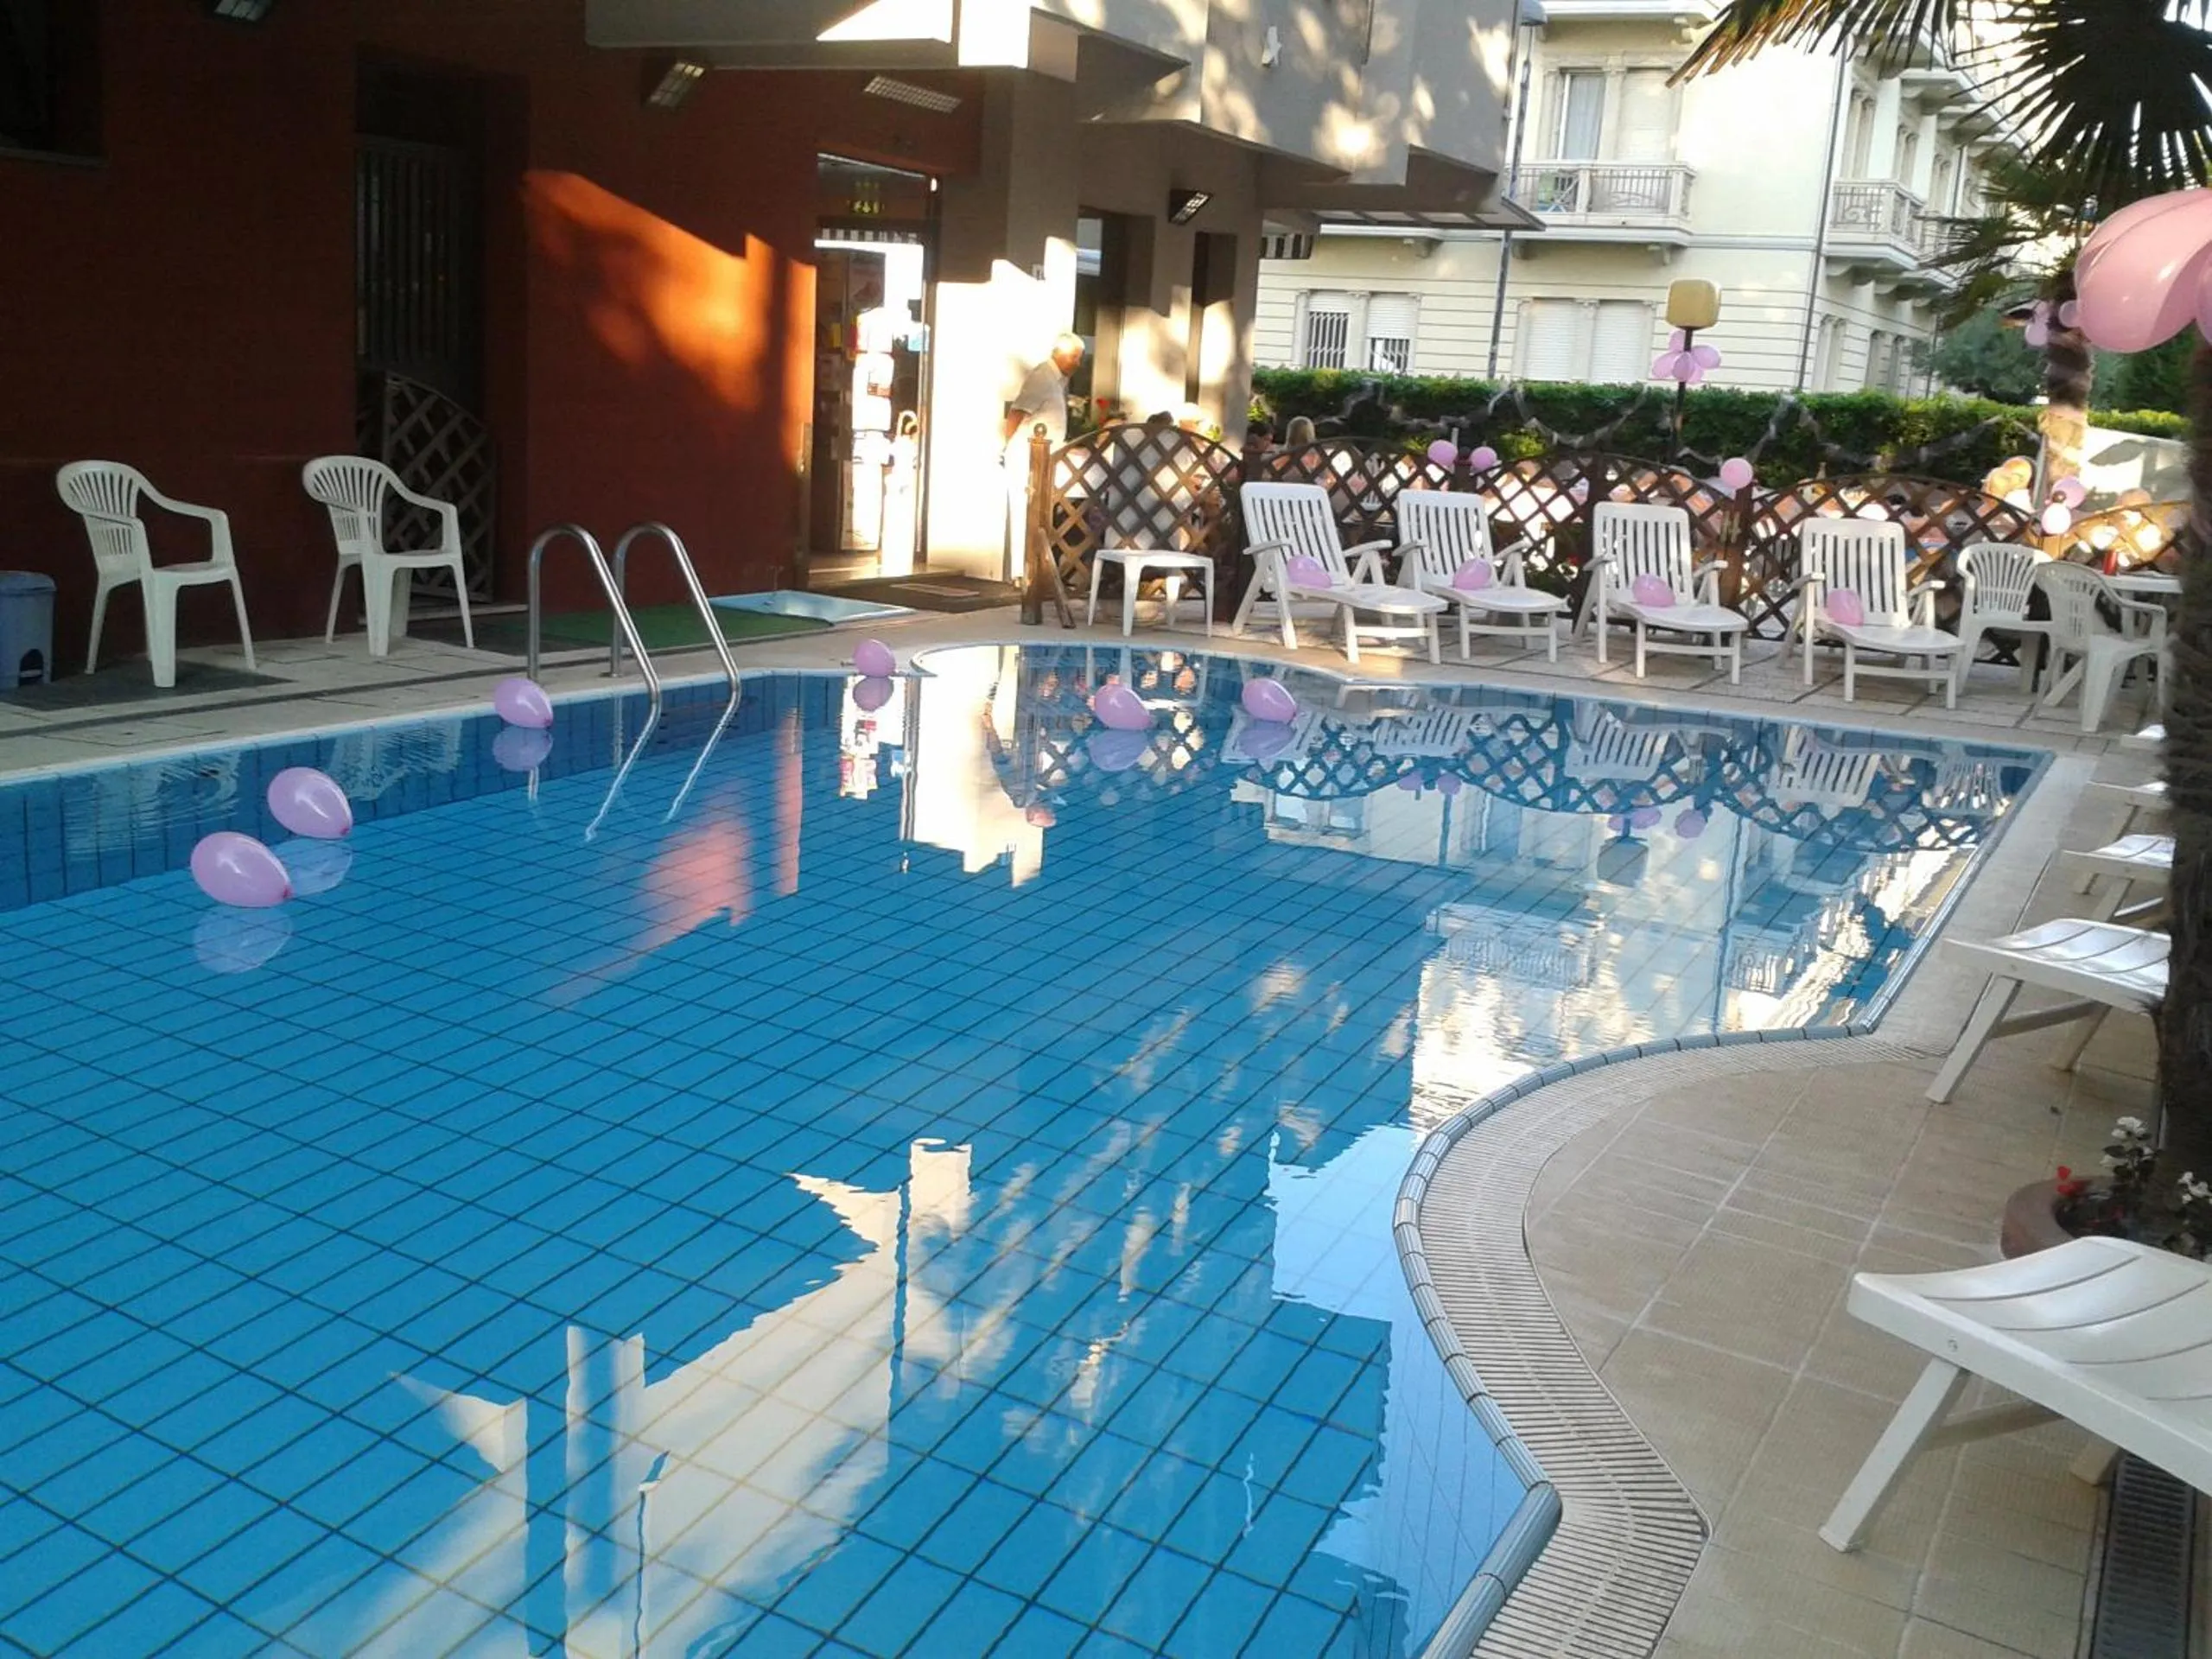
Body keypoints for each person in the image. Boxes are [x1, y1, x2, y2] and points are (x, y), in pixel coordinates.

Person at [1005, 333, 1087, 582]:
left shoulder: (1056, 380)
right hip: (1026, 455)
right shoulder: (1043, 376)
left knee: (1037, 512)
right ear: (1061, 354)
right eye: (1074, 357)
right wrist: (1009, 446)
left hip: (1044, 456)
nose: (1077, 363)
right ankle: (1021, 572)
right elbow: (1017, 412)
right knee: (1023, 511)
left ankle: (1033, 568)